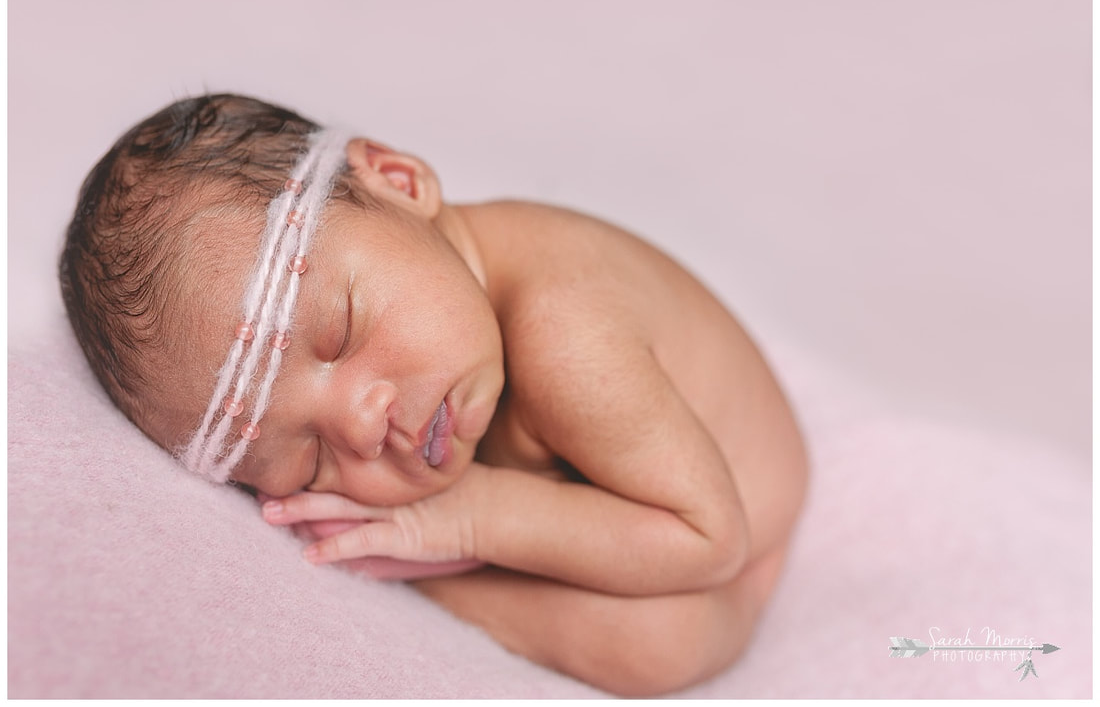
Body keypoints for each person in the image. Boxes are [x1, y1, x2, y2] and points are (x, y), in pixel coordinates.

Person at [60, 93, 808, 696]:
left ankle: (427, 581)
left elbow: (709, 538)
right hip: (622, 494)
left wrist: (456, 521)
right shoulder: (450, 344)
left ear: (400, 182)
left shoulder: (566, 333)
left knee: (656, 644)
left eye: (343, 330)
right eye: (306, 459)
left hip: (724, 522)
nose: (359, 426)